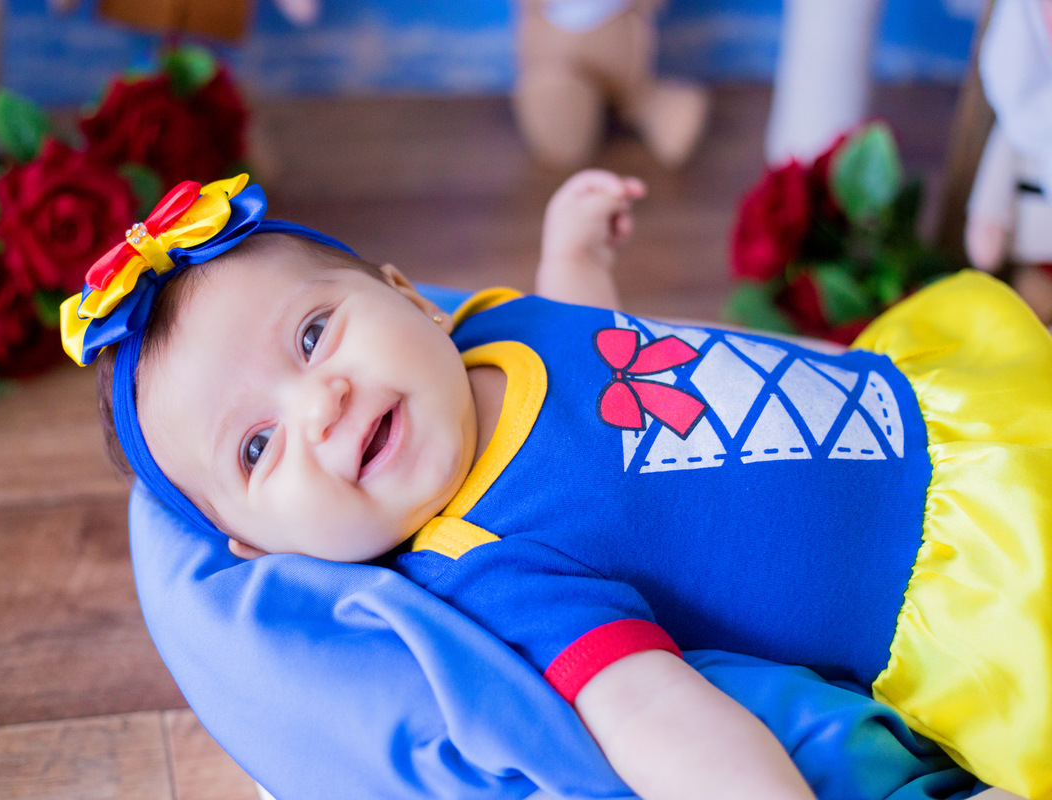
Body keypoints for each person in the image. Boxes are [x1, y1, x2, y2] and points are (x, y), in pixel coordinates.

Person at [60, 170, 1050, 800]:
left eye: (314, 334)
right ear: (262, 547)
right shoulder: (485, 561)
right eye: (256, 447)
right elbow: (651, 709)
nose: (319, 402)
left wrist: (572, 257)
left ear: (408, 295)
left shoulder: (489, 326)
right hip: (970, 581)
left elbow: (595, 350)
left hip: (942, 414)